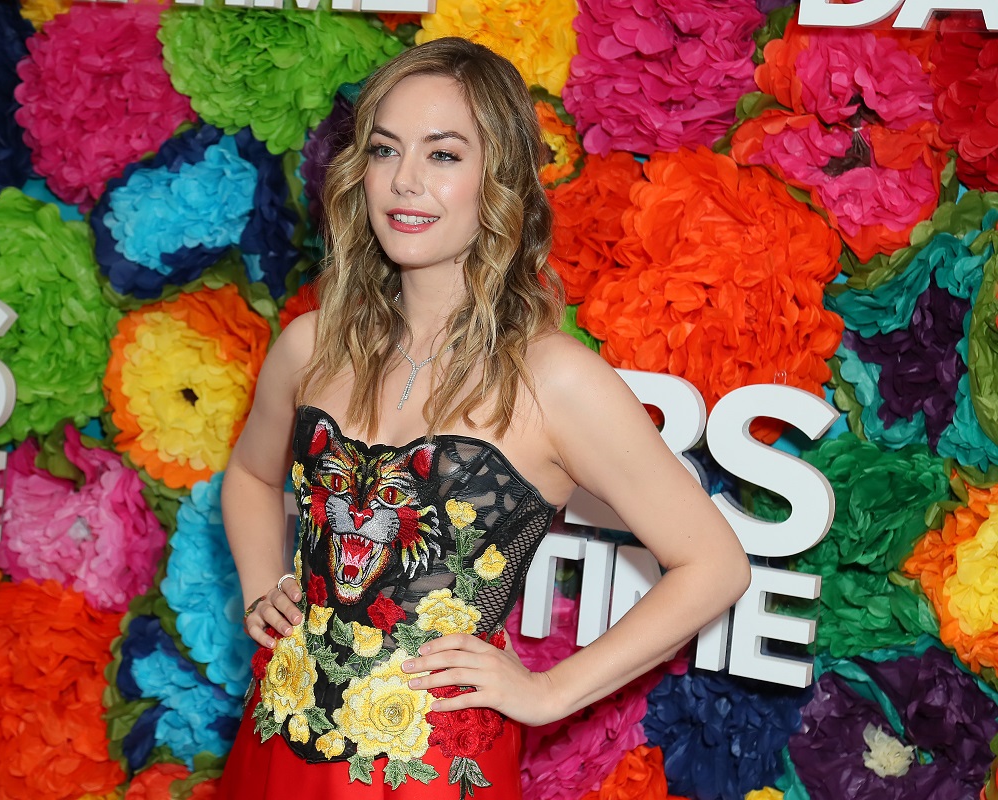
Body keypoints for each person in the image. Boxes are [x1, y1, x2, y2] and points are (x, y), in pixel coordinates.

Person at [217, 36, 751, 799]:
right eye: (384, 149)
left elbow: (715, 565)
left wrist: (549, 693)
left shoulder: (555, 379)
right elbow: (248, 473)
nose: (404, 181)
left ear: (497, 179)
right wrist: (262, 583)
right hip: (275, 738)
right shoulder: (311, 345)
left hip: (430, 768)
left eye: (443, 155)